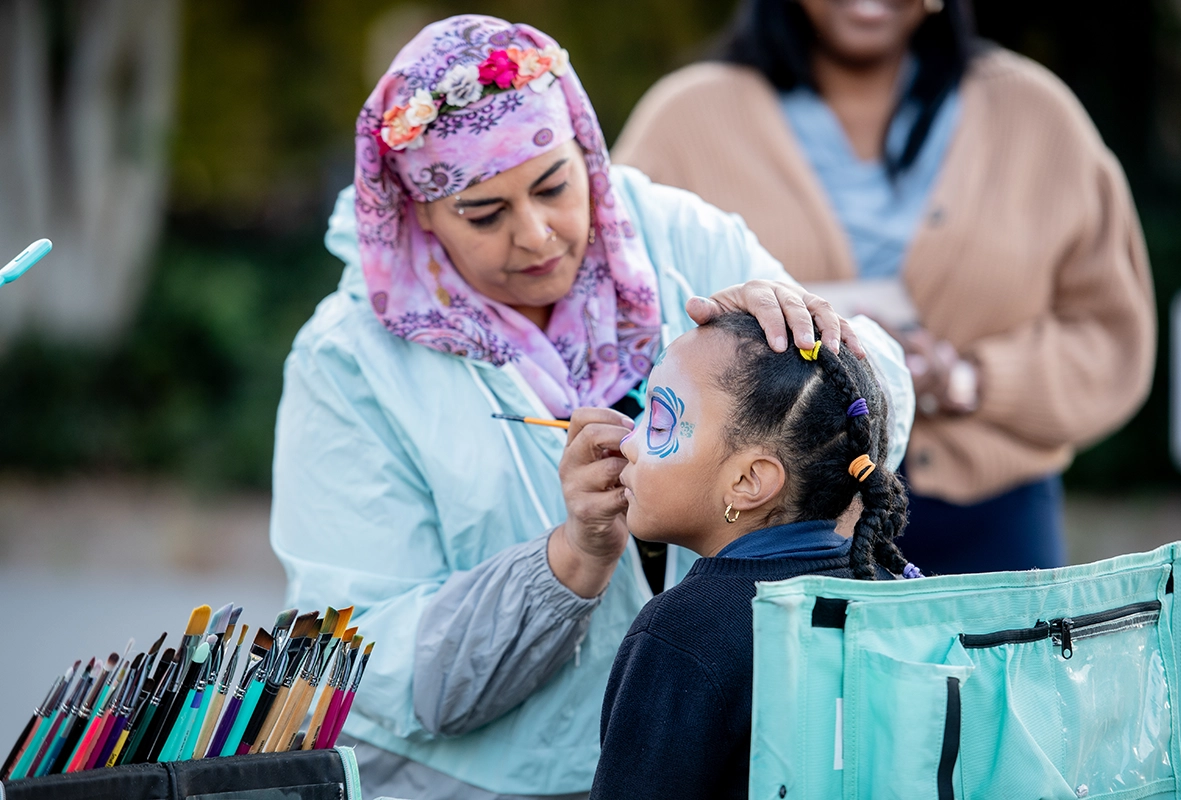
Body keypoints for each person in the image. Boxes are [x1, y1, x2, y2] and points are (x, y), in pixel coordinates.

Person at [269, 15, 913, 800]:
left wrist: (802, 336)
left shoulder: (679, 237)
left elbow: (851, 404)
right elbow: (372, 665)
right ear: (419, 211)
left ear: (586, 149)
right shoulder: (349, 363)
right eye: (484, 212)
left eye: (553, 185)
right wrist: (569, 560)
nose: (536, 234)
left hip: (718, 754)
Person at [613, 0, 1156, 574]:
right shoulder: (688, 118)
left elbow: (1110, 333)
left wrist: (968, 380)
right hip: (772, 529)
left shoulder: (1035, 116)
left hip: (990, 517)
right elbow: (622, 306)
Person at [590, 312, 912, 799]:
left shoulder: (684, 631)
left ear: (747, 482)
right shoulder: (888, 593)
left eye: (656, 420)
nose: (628, 442)